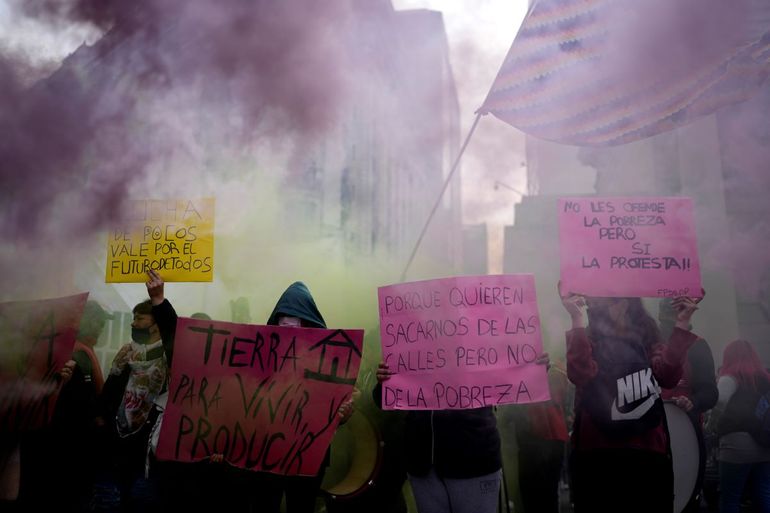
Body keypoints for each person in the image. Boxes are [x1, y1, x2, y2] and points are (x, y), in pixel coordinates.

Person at [560, 289, 700, 513]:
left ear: (625, 305)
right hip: (598, 453)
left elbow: (668, 376)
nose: (599, 307)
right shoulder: (589, 339)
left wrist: (682, 323)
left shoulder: (649, 341)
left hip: (644, 452)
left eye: (606, 301)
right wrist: (576, 318)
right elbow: (579, 374)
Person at [374, 352, 549, 513]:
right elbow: (383, 400)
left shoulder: (480, 334)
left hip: (473, 460)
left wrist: (532, 369)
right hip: (423, 463)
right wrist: (385, 383)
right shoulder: (411, 344)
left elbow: (509, 369)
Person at [257, 281, 355, 513]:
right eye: (283, 325)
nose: (289, 333)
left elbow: (337, 407)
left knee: (301, 506)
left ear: (308, 325)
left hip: (308, 455)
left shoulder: (328, 361)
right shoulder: (261, 358)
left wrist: (343, 414)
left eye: (295, 325)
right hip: (265, 452)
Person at [102, 270, 177, 511]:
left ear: (156, 325)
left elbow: (173, 333)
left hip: (148, 448)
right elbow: (110, 394)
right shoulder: (127, 353)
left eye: (140, 319)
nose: (134, 323)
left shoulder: (168, 357)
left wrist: (158, 300)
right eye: (133, 318)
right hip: (120, 442)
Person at [658, 296, 718, 513]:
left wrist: (693, 401)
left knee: (685, 497)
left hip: (687, 433)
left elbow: (710, 392)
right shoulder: (648, 343)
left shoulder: (697, 345)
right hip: (650, 434)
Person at [709, 339, 770, 513]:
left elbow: (719, 403)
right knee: (764, 495)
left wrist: (710, 426)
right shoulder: (765, 379)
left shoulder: (730, 377)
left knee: (730, 499)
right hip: (765, 446)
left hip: (736, 446)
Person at [514, 358, 570, 513]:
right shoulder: (517, 359)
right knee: (533, 498)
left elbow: (561, 390)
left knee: (545, 497)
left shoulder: (554, 364)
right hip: (529, 434)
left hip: (548, 436)